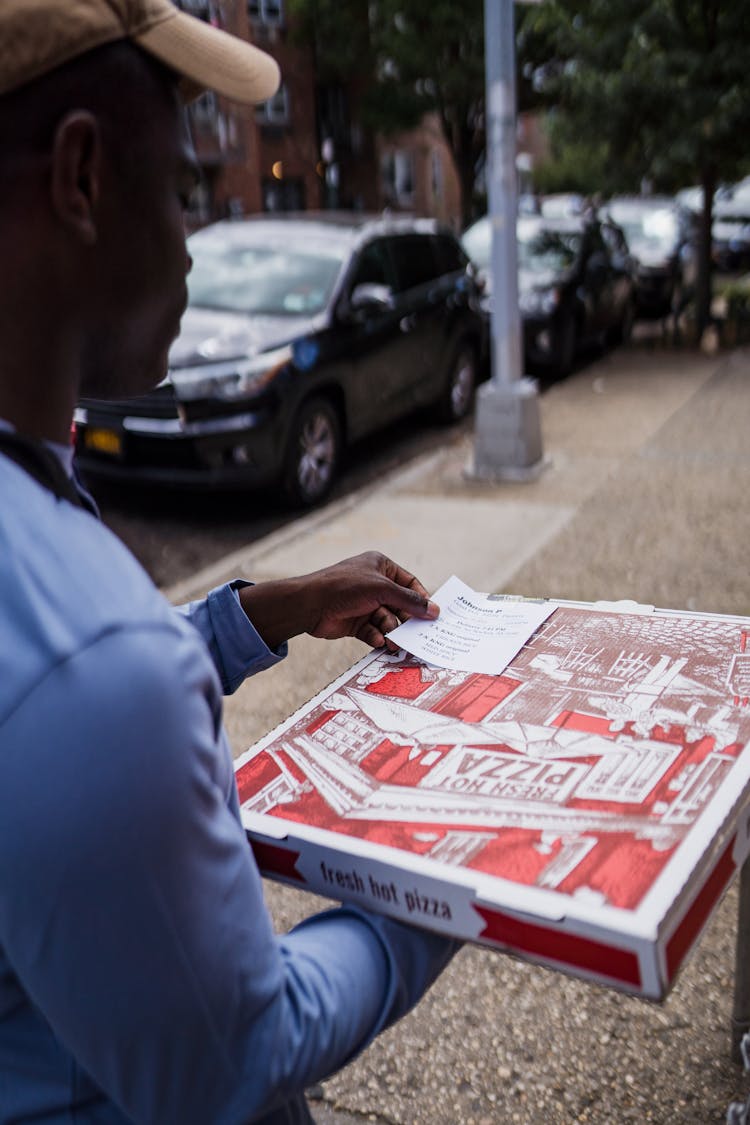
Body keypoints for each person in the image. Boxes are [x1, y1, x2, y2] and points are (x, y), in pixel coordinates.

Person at [0, 3, 461, 1122]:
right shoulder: (91, 662)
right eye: (182, 194)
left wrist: (262, 612)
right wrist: (446, 872)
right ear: (83, 176)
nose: (195, 240)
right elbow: (241, 1054)